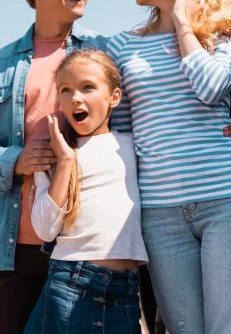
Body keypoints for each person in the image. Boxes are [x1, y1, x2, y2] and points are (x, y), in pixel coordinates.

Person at [0, 0, 231, 334]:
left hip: (94, 245)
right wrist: (16, 159)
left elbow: (163, 107)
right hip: (17, 244)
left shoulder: (106, 50)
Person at [103, 0, 231, 334]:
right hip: (160, 215)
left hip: (229, 201)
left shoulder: (221, 33)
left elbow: (211, 87)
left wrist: (183, 24)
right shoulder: (120, 47)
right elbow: (122, 135)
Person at [23, 49, 147, 334]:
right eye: (65, 90)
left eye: (87, 87)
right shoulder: (55, 155)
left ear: (114, 97)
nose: (75, 98)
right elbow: (45, 229)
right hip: (71, 285)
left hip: (126, 293)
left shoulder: (133, 145)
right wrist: (66, 161)